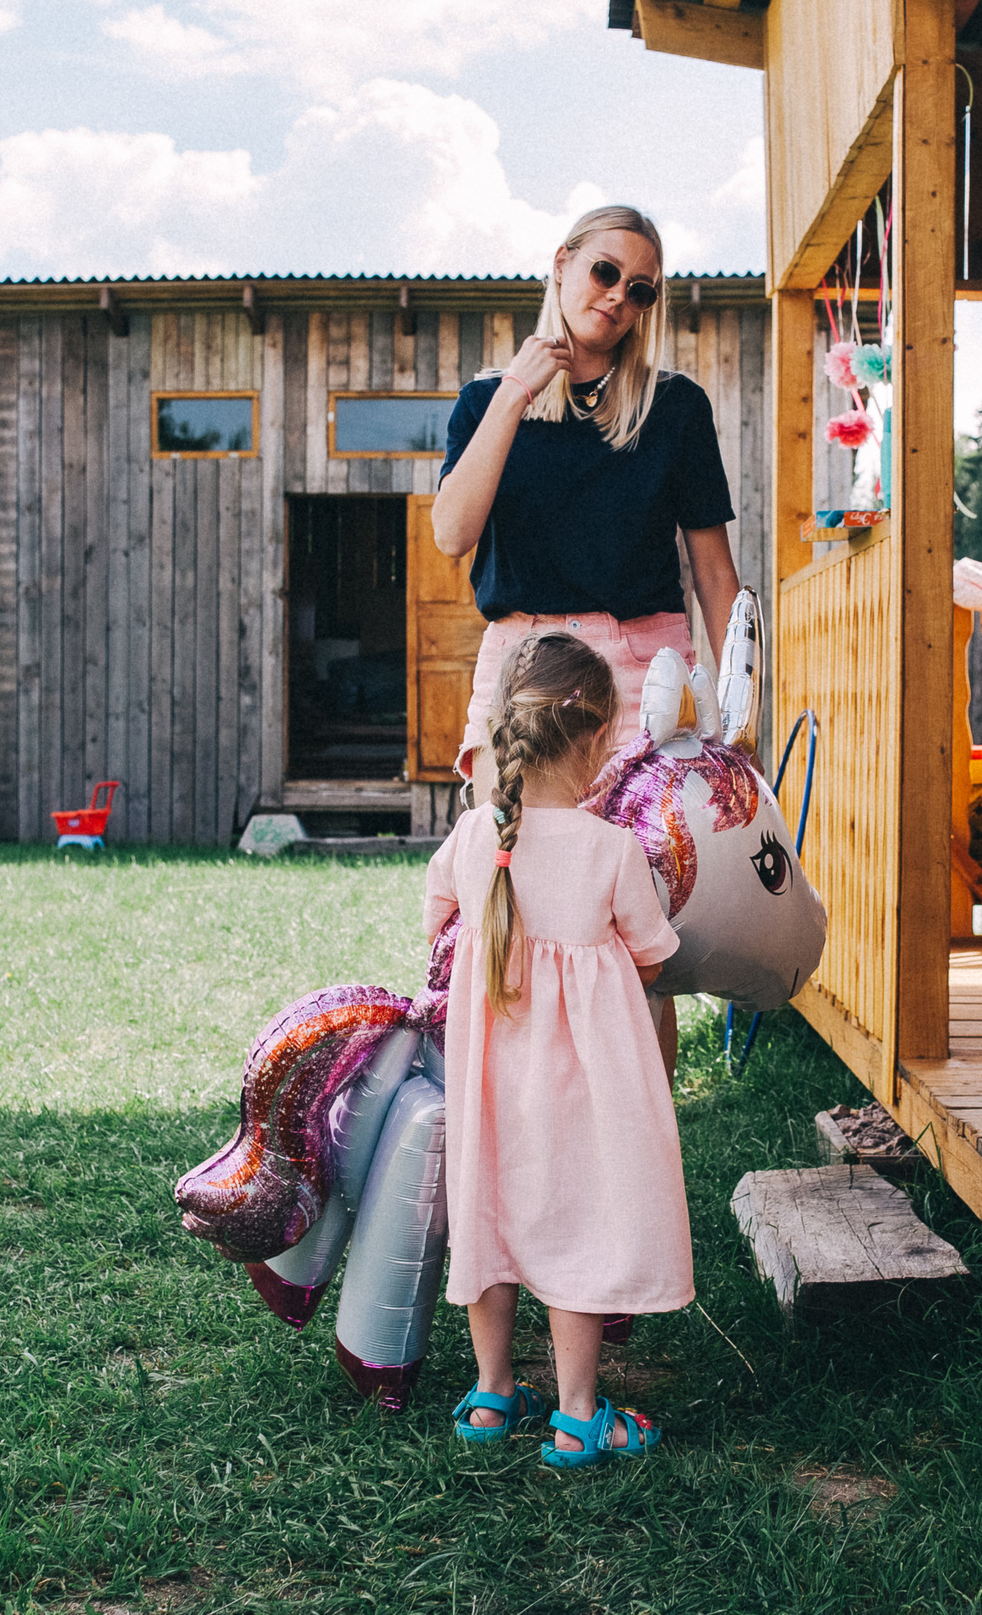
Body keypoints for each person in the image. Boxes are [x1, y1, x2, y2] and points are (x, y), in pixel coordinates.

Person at [431, 204, 741, 1083]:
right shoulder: (490, 401)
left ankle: (638, 1138)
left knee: (642, 918)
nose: (617, 297)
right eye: (604, 272)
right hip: (524, 664)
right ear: (562, 264)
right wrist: (518, 394)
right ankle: (520, 1119)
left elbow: (714, 571)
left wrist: (741, 701)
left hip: (646, 668)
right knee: (511, 886)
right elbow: (454, 533)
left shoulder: (673, 409)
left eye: (639, 289)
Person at [428, 632, 690, 1467]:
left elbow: (435, 921)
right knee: (577, 1223)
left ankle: (492, 1394)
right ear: (590, 742)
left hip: (489, 1089)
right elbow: (655, 954)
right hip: (578, 1092)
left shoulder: (475, 837)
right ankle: (578, 1414)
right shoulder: (612, 850)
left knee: (491, 1219)